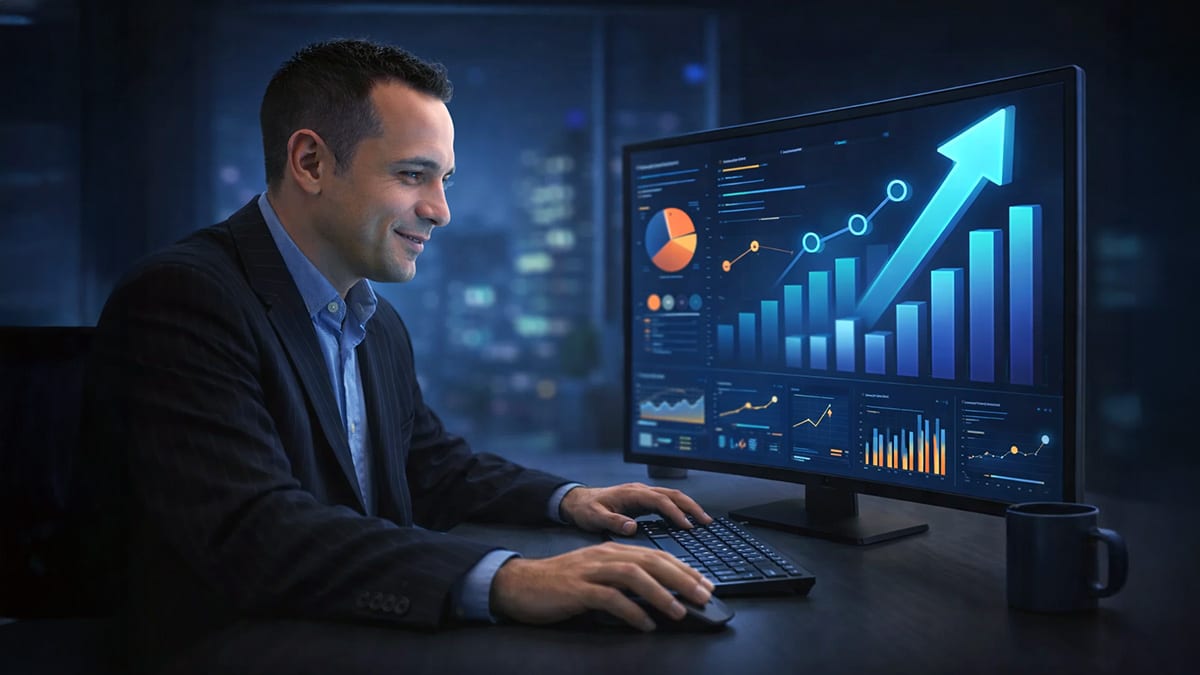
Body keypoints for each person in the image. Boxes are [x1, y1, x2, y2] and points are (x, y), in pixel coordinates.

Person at [82, 37, 715, 671]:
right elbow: (251, 531)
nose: (439, 211)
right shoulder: (184, 297)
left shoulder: (374, 321)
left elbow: (429, 467)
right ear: (310, 162)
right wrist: (508, 579)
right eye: (413, 174)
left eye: (443, 180)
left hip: (344, 637)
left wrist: (569, 498)